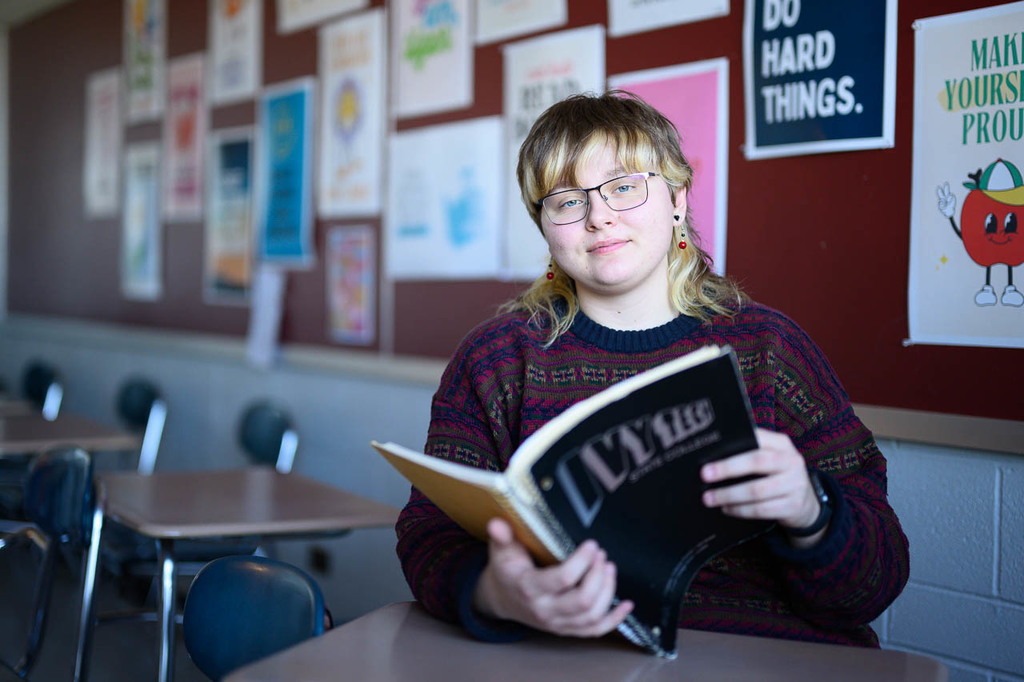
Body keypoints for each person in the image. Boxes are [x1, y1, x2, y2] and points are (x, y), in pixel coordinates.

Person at [395, 91, 909, 648]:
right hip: (569, 660)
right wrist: (494, 592)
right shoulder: (497, 361)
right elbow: (430, 535)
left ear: (677, 199)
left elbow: (877, 580)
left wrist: (813, 512)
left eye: (624, 186)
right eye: (566, 200)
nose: (598, 216)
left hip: (766, 660)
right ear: (544, 225)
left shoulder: (768, 350)